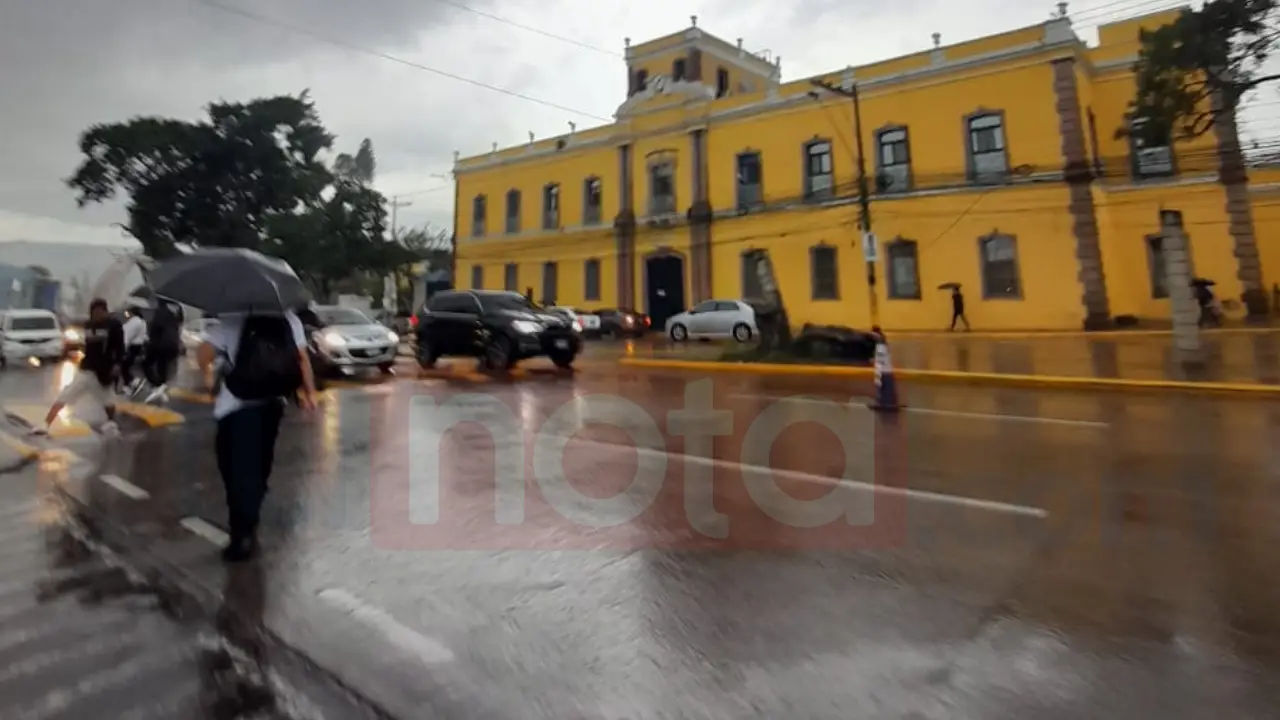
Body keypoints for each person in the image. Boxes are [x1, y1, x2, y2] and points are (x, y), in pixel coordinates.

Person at [197, 309, 317, 562]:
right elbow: (302, 358)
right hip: (273, 403)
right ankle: (250, 520)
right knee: (260, 465)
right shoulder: (289, 319)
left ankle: (242, 535)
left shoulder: (232, 318)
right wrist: (310, 394)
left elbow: (204, 353)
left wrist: (208, 374)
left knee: (234, 470)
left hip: (236, 406)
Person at [35, 298, 124, 436]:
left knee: (108, 401)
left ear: (105, 311)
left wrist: (117, 364)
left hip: (104, 371)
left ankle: (111, 422)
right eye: (94, 312)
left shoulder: (114, 325)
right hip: (87, 370)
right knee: (65, 395)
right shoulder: (89, 325)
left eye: (100, 312)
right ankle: (46, 424)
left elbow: (120, 347)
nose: (97, 315)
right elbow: (86, 347)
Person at [142, 301, 183, 404]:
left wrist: (149, 334)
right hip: (173, 345)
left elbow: (155, 327)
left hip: (160, 344)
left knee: (146, 363)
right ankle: (161, 387)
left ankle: (157, 385)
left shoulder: (160, 312)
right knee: (162, 365)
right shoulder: (177, 311)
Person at [120, 308, 148, 394]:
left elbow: (128, 335)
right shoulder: (142, 322)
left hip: (131, 346)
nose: (127, 315)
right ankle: (131, 382)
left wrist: (123, 348)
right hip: (137, 346)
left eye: (128, 313)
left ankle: (130, 383)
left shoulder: (134, 322)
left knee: (124, 366)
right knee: (126, 366)